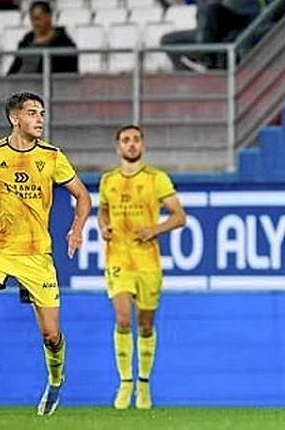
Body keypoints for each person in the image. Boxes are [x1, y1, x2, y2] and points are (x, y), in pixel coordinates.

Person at [0, 91, 92, 415]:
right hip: (0, 249)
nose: (39, 119)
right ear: (15, 118)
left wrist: (76, 228)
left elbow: (83, 197)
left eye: (41, 113)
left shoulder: (52, 157)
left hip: (37, 253)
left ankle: (55, 380)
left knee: (51, 334)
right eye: (32, 113)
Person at [98, 125, 187, 410]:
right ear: (118, 147)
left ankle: (144, 385)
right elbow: (102, 210)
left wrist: (154, 229)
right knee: (123, 320)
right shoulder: (107, 180)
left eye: (136, 140)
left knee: (145, 325)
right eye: (126, 140)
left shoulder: (156, 179)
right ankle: (125, 384)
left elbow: (179, 216)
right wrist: (103, 226)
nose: (131, 144)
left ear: (143, 146)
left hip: (148, 261)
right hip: (118, 258)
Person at [7, 1, 78, 76]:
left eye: (38, 19)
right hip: (19, 84)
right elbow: (14, 67)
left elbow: (68, 74)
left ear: (49, 16)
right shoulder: (27, 39)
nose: (35, 23)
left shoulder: (64, 43)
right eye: (32, 19)